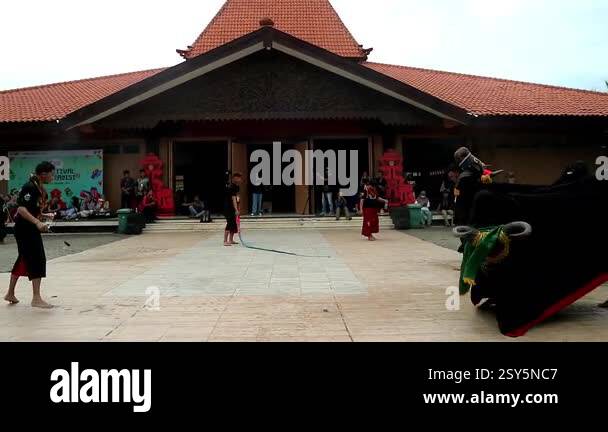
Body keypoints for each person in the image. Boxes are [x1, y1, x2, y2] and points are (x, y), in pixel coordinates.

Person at [4, 161, 56, 308]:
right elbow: (21, 209)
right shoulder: (30, 187)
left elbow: (32, 209)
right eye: (52, 174)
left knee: (23, 259)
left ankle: (10, 293)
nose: (53, 177)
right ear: (44, 174)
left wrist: (45, 216)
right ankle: (36, 298)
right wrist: (37, 223)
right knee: (37, 259)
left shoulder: (38, 188)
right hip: (25, 229)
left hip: (29, 228)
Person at [224, 173, 242, 247]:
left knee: (234, 224)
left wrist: (238, 208)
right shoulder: (231, 187)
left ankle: (231, 239)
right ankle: (225, 240)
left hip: (233, 207)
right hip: (228, 207)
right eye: (239, 178)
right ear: (235, 178)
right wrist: (236, 209)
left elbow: (238, 198)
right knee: (229, 223)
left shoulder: (237, 187)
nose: (240, 179)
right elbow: (233, 199)